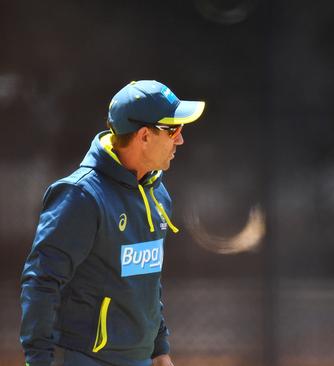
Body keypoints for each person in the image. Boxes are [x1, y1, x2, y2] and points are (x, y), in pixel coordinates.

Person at [19, 80, 205, 366]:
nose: (180, 139)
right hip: (85, 358)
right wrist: (38, 361)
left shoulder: (155, 190)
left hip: (140, 358)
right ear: (144, 136)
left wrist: (159, 349)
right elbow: (41, 282)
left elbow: (146, 279)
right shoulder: (81, 196)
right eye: (173, 129)